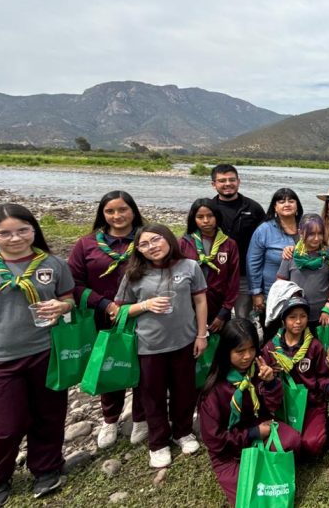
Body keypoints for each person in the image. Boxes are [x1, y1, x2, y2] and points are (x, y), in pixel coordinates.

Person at [0, 203, 75, 507]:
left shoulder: (53, 264)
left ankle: (47, 468)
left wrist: (63, 306)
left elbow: (68, 299)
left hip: (46, 352)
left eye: (23, 230)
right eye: (4, 233)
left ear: (34, 230)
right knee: (10, 425)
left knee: (50, 415)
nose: (16, 238)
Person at [115, 224, 209, 468]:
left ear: (168, 239)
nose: (152, 247)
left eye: (156, 239)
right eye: (144, 244)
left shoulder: (189, 266)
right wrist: (145, 305)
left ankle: (183, 432)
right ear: (138, 249)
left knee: (185, 390)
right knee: (152, 395)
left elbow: (200, 301)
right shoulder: (134, 273)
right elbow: (119, 310)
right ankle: (158, 443)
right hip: (149, 346)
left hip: (185, 342)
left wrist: (202, 335)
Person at [67, 191, 148, 449]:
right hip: (103, 315)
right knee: (109, 363)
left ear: (133, 211)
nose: (117, 216)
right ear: (102, 214)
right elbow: (73, 283)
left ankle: (141, 418)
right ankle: (110, 419)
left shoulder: (148, 238)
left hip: (143, 314)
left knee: (144, 367)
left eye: (123, 209)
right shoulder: (87, 244)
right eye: (110, 211)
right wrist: (106, 304)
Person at [199, 319, 300, 506]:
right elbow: (215, 441)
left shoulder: (258, 370)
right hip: (228, 452)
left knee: (292, 441)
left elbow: (272, 407)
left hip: (259, 429)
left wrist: (270, 383)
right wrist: (252, 434)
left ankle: (259, 461)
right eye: (240, 351)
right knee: (250, 494)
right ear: (226, 351)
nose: (247, 356)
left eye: (251, 349)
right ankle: (245, 468)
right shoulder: (214, 391)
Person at [261, 296, 329, 458]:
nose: (298, 321)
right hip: (281, 406)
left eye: (303, 316)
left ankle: (317, 429)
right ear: (284, 320)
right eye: (292, 317)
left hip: (310, 405)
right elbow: (261, 384)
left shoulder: (314, 346)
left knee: (312, 444)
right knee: (286, 444)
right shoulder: (271, 348)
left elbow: (323, 376)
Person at [210, 164, 266, 319]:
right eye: (222, 180)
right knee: (216, 317)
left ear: (238, 181)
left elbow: (265, 240)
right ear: (214, 184)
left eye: (231, 180)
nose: (228, 184)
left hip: (244, 274)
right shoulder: (209, 209)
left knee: (243, 317)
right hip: (216, 274)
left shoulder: (253, 208)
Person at [180, 198, 240, 333]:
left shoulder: (229, 244)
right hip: (189, 306)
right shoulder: (184, 243)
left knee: (218, 341)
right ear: (193, 219)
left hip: (218, 307)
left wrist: (224, 312)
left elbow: (233, 281)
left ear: (217, 217)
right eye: (200, 217)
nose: (206, 221)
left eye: (210, 216)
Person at [247, 188, 303, 319]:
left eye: (291, 201)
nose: (287, 204)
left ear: (297, 206)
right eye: (281, 202)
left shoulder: (306, 227)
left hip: (302, 293)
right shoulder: (264, 230)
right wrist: (256, 293)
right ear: (275, 207)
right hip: (272, 293)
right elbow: (253, 263)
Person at [276, 213, 329, 332]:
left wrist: (328, 307)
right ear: (301, 233)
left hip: (323, 316)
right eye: (311, 234)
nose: (317, 238)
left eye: (320, 233)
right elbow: (280, 283)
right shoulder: (290, 255)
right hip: (296, 316)